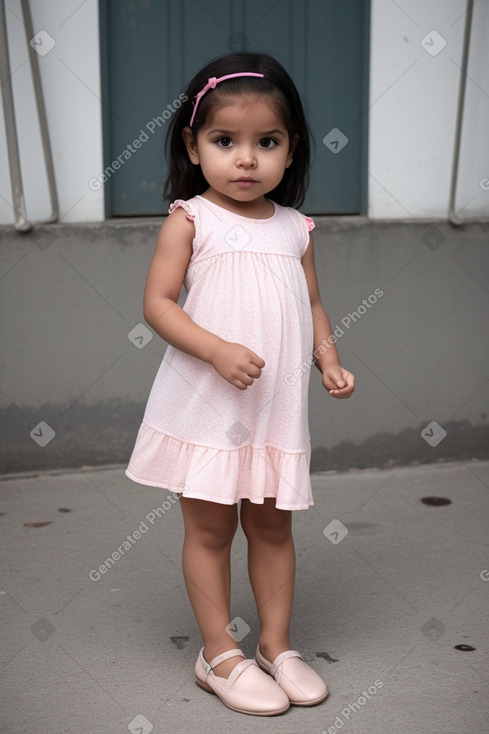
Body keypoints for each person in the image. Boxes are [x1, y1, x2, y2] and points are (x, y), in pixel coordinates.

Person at [125, 51, 355, 716]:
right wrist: (217, 348)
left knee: (273, 527)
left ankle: (275, 646)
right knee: (209, 530)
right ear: (193, 147)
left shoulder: (295, 229)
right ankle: (218, 652)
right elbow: (159, 305)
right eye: (225, 141)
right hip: (205, 403)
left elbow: (310, 303)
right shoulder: (190, 220)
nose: (246, 159)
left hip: (274, 411)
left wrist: (327, 356)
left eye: (267, 142)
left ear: (291, 151)